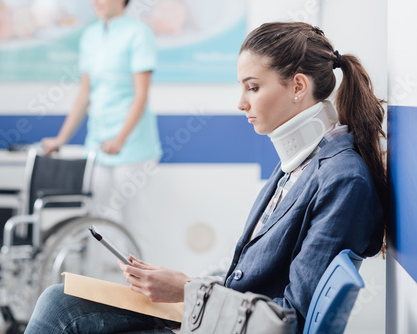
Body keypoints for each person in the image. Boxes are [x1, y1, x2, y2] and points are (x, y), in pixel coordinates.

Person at [25, 22, 386, 333]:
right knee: (62, 299)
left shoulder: (341, 180)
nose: (241, 103)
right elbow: (246, 276)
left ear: (297, 87)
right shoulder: (299, 164)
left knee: (60, 310)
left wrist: (186, 289)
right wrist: (187, 285)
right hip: (221, 318)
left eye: (253, 87)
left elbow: (291, 318)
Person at [42, 0, 162, 225]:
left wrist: (120, 139)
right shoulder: (90, 36)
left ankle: (139, 261)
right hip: (97, 145)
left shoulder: (139, 33)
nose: (95, 1)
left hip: (132, 146)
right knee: (95, 220)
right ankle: (98, 262)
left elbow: (141, 95)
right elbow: (85, 94)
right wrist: (61, 139)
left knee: (134, 224)